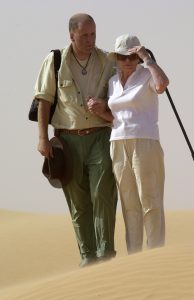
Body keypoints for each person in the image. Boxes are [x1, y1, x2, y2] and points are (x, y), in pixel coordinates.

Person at [34, 13, 117, 267]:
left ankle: (106, 254)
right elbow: (44, 100)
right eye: (84, 35)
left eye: (93, 34)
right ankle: (88, 258)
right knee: (79, 203)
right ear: (72, 35)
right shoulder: (55, 60)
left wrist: (105, 106)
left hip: (100, 136)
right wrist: (42, 139)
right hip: (67, 142)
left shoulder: (106, 60)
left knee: (103, 194)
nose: (90, 39)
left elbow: (119, 95)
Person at [87, 33, 169, 254]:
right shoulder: (113, 82)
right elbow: (117, 118)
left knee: (149, 199)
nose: (128, 61)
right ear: (116, 58)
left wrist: (147, 58)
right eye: (123, 57)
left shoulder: (147, 74)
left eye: (132, 56)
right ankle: (134, 256)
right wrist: (100, 111)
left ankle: (156, 253)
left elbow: (162, 85)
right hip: (118, 141)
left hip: (145, 141)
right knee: (129, 203)